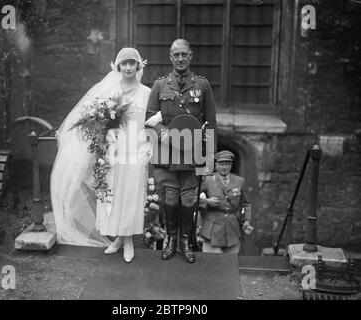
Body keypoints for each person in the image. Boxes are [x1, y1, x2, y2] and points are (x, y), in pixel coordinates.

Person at [51, 48, 161, 263]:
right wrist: (107, 132)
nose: (128, 67)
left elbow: (152, 123)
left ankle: (127, 240)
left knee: (130, 195)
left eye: (132, 63)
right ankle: (117, 239)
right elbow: (95, 121)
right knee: (112, 194)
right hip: (112, 151)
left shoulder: (147, 94)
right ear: (118, 67)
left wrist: (149, 145)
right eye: (124, 63)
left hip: (135, 151)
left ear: (139, 66)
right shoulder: (108, 91)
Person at [145, 39, 217, 263]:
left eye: (184, 54)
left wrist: (210, 158)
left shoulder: (202, 85)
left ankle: (186, 240)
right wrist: (163, 133)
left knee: (188, 198)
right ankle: (170, 240)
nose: (180, 59)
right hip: (167, 151)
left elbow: (211, 123)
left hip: (192, 151)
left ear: (190, 56)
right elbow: (149, 118)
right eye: (176, 55)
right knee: (170, 197)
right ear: (170, 57)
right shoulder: (160, 85)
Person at [199, 150, 252, 254]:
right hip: (212, 228)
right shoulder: (208, 180)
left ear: (231, 165)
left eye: (227, 164)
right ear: (216, 165)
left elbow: (246, 203)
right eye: (221, 164)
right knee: (212, 262)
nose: (224, 167)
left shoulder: (239, 181)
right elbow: (192, 198)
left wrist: (247, 220)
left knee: (230, 262)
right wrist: (207, 201)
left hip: (233, 228)